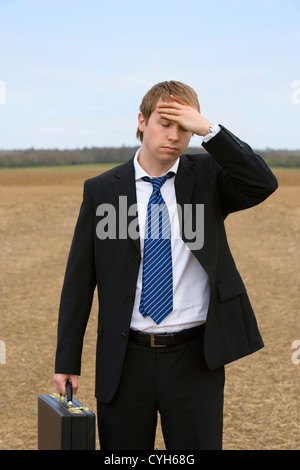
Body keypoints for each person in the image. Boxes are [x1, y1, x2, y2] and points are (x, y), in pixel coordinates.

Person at [54, 80, 278, 450]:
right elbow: (79, 282)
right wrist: (67, 361)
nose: (174, 136)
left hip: (195, 360)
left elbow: (262, 182)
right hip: (125, 360)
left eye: (184, 127)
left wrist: (209, 129)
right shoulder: (102, 190)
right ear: (141, 121)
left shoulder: (208, 179)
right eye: (165, 122)